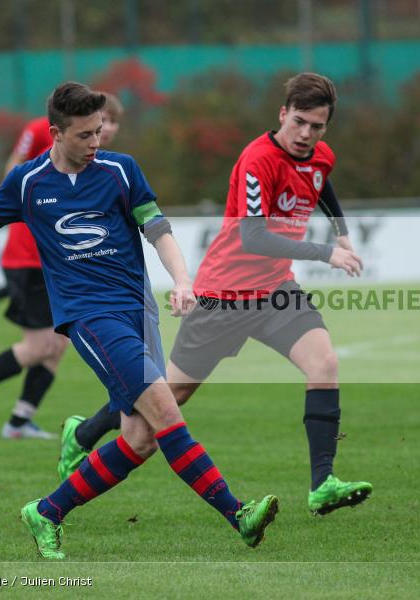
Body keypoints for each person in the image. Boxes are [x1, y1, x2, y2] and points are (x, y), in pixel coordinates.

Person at [0, 82, 278, 559]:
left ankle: (47, 512)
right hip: (89, 318)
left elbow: (157, 228)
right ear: (56, 134)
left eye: (99, 131)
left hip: (137, 314)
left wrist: (183, 279)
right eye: (85, 135)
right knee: (167, 415)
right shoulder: (29, 182)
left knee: (139, 440)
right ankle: (238, 514)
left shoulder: (121, 171)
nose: (96, 142)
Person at [59, 72, 372, 516]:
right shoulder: (257, 159)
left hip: (277, 290)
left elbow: (322, 181)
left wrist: (341, 233)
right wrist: (326, 252)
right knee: (166, 397)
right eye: (299, 121)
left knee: (324, 363)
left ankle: (322, 483)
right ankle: (86, 432)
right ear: (283, 114)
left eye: (316, 127)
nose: (306, 134)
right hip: (224, 295)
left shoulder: (321, 156)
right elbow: (253, 238)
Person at [0, 94, 125, 440]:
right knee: (42, 345)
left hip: (52, 263)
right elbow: (15, 171)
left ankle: (20, 420)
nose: (107, 131)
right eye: (104, 122)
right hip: (27, 258)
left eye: (109, 125)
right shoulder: (42, 137)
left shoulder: (101, 165)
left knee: (58, 344)